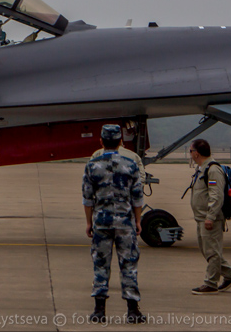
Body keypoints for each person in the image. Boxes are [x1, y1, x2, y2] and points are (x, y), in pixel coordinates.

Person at [82, 124, 145, 324]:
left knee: (101, 264)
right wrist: (138, 221)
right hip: (125, 222)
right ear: (120, 142)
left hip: (101, 221)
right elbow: (137, 197)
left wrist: (89, 222)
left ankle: (99, 311)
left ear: (101, 141)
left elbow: (87, 199)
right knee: (129, 265)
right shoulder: (131, 164)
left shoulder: (92, 165)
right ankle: (133, 311)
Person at [188, 138, 231, 295]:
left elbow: (216, 196)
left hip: (210, 218)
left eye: (190, 151)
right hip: (201, 217)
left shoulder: (213, 170)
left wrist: (210, 216)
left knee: (212, 251)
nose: (190, 154)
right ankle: (230, 275)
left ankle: (210, 283)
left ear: (196, 153)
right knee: (207, 250)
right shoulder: (202, 168)